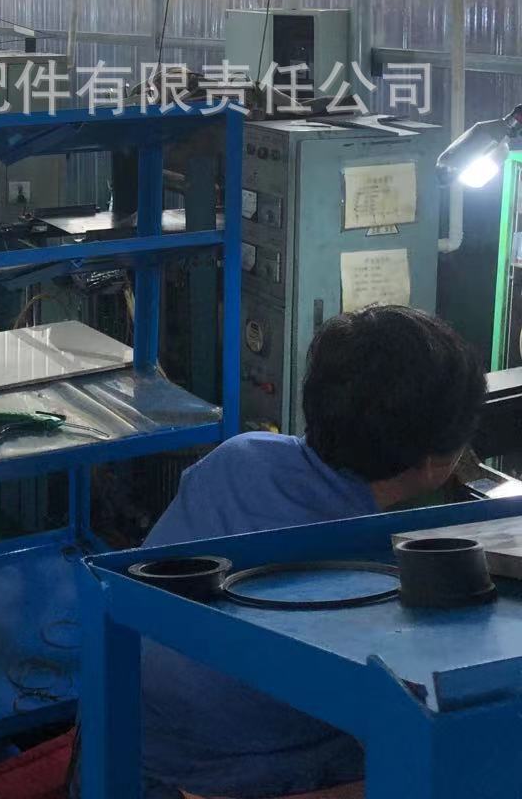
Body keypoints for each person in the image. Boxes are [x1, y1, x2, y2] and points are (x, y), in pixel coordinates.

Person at [140, 305, 486, 799]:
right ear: (435, 463)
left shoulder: (239, 454)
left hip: (125, 737)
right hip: (223, 779)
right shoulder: (375, 568)